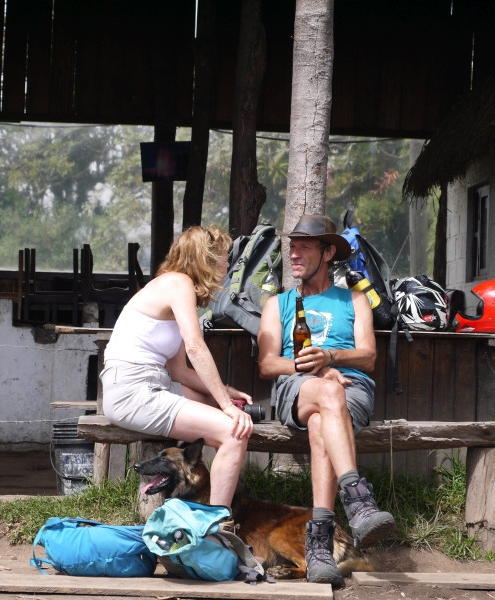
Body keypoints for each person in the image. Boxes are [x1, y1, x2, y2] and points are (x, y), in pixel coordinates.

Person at [257, 214, 395, 586]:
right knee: (328, 392)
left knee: (322, 420)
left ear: (328, 251)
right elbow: (268, 363)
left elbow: (368, 357)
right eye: (292, 246)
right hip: (296, 386)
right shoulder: (279, 304)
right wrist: (313, 368)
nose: (294, 253)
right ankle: (358, 500)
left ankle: (319, 545)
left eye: (304, 246)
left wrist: (331, 358)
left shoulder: (354, 299)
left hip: (353, 387)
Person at [101, 225, 254, 510]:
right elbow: (196, 347)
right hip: (133, 391)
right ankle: (216, 523)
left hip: (152, 383)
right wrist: (227, 406)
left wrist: (225, 393)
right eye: (223, 257)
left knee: (225, 406)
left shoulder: (175, 289)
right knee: (233, 432)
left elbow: (180, 370)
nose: (228, 264)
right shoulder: (178, 284)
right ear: (205, 259)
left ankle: (207, 503)